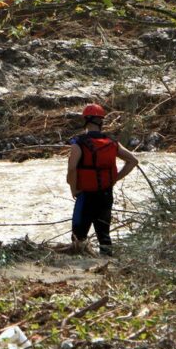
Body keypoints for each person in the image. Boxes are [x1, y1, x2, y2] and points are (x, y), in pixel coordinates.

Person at [67, 104, 138, 256]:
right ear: (101, 121)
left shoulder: (78, 143)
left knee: (78, 235)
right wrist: (114, 179)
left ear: (85, 120)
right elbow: (133, 161)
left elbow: (72, 170)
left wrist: (73, 188)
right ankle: (107, 265)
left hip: (85, 195)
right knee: (104, 235)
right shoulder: (112, 142)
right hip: (106, 194)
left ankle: (78, 268)